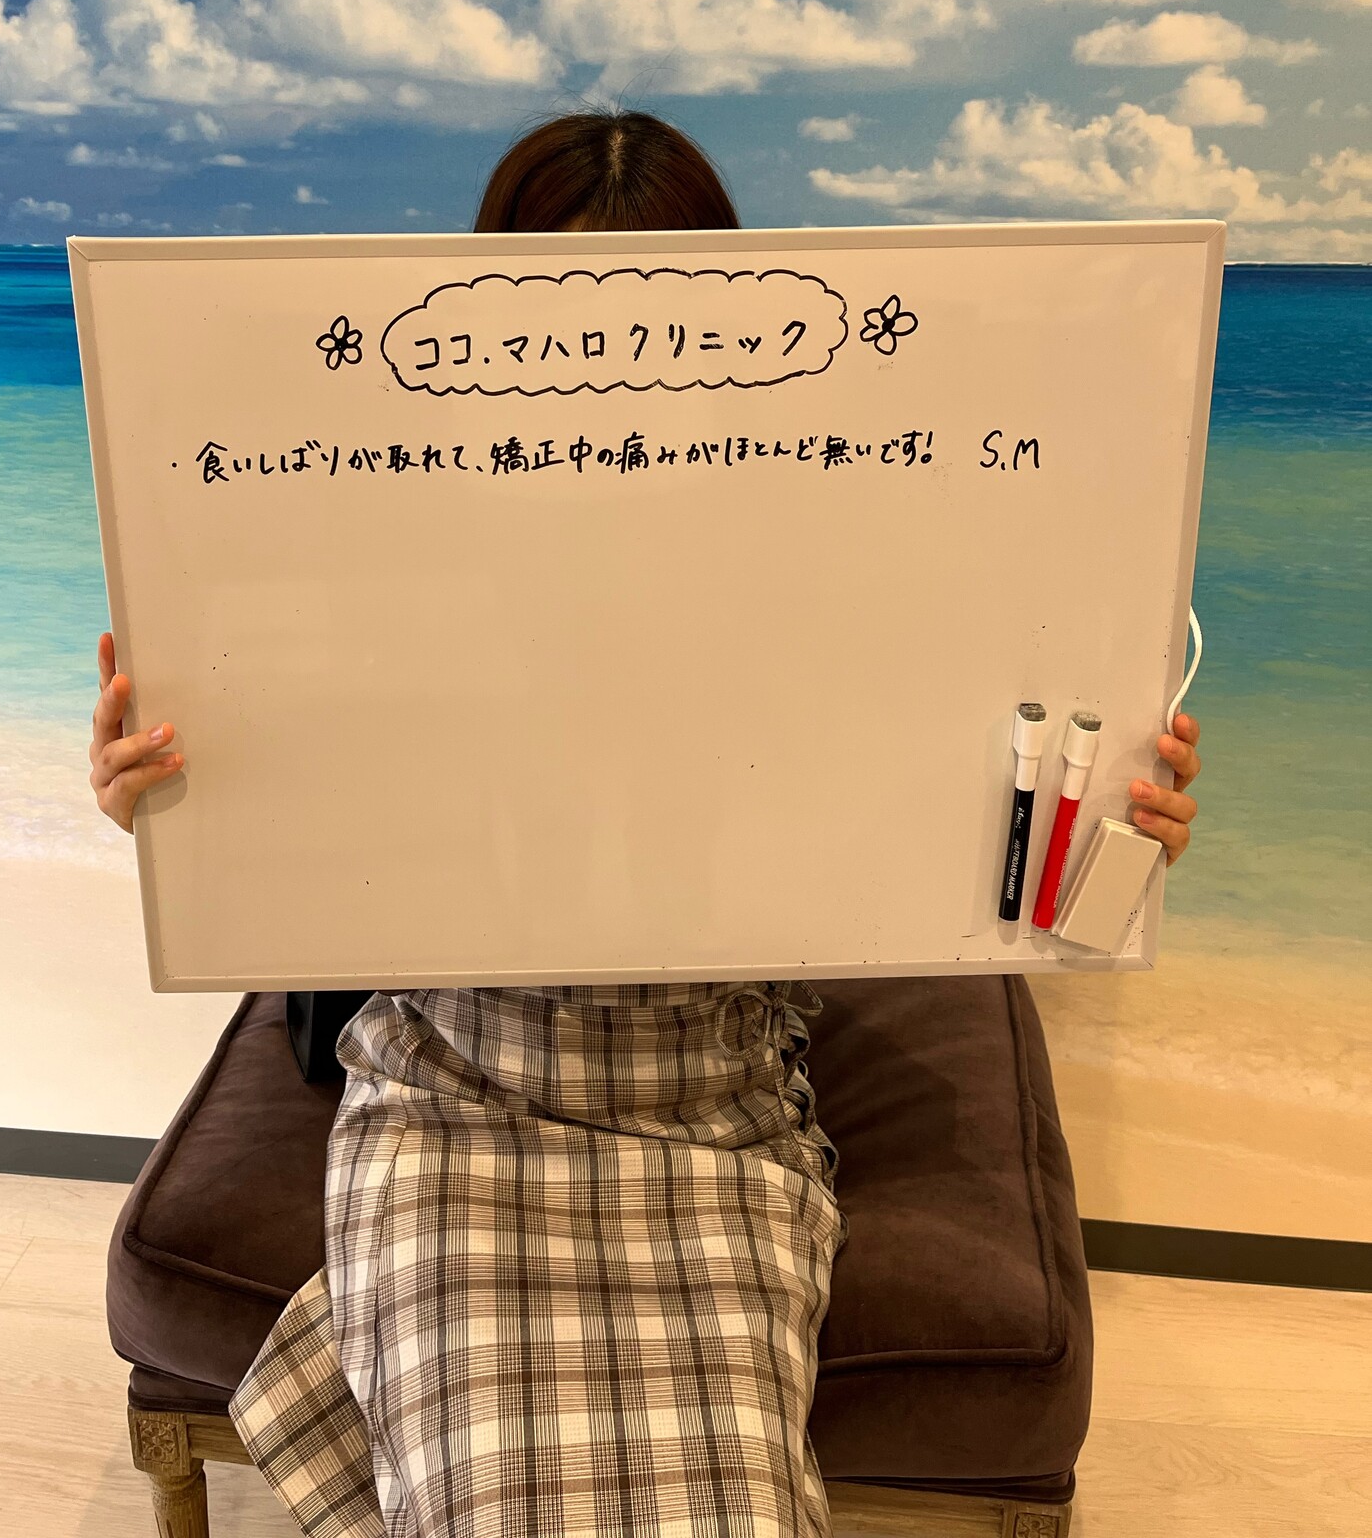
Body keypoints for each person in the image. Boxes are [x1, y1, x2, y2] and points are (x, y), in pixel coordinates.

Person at [89, 111, 1204, 1538]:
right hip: (452, 1095)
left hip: (714, 1110)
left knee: (734, 1501)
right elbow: (289, 787)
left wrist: (1104, 825)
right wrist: (162, 793)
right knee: (482, 1487)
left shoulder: (838, 556)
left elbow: (951, 784)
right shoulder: (377, 540)